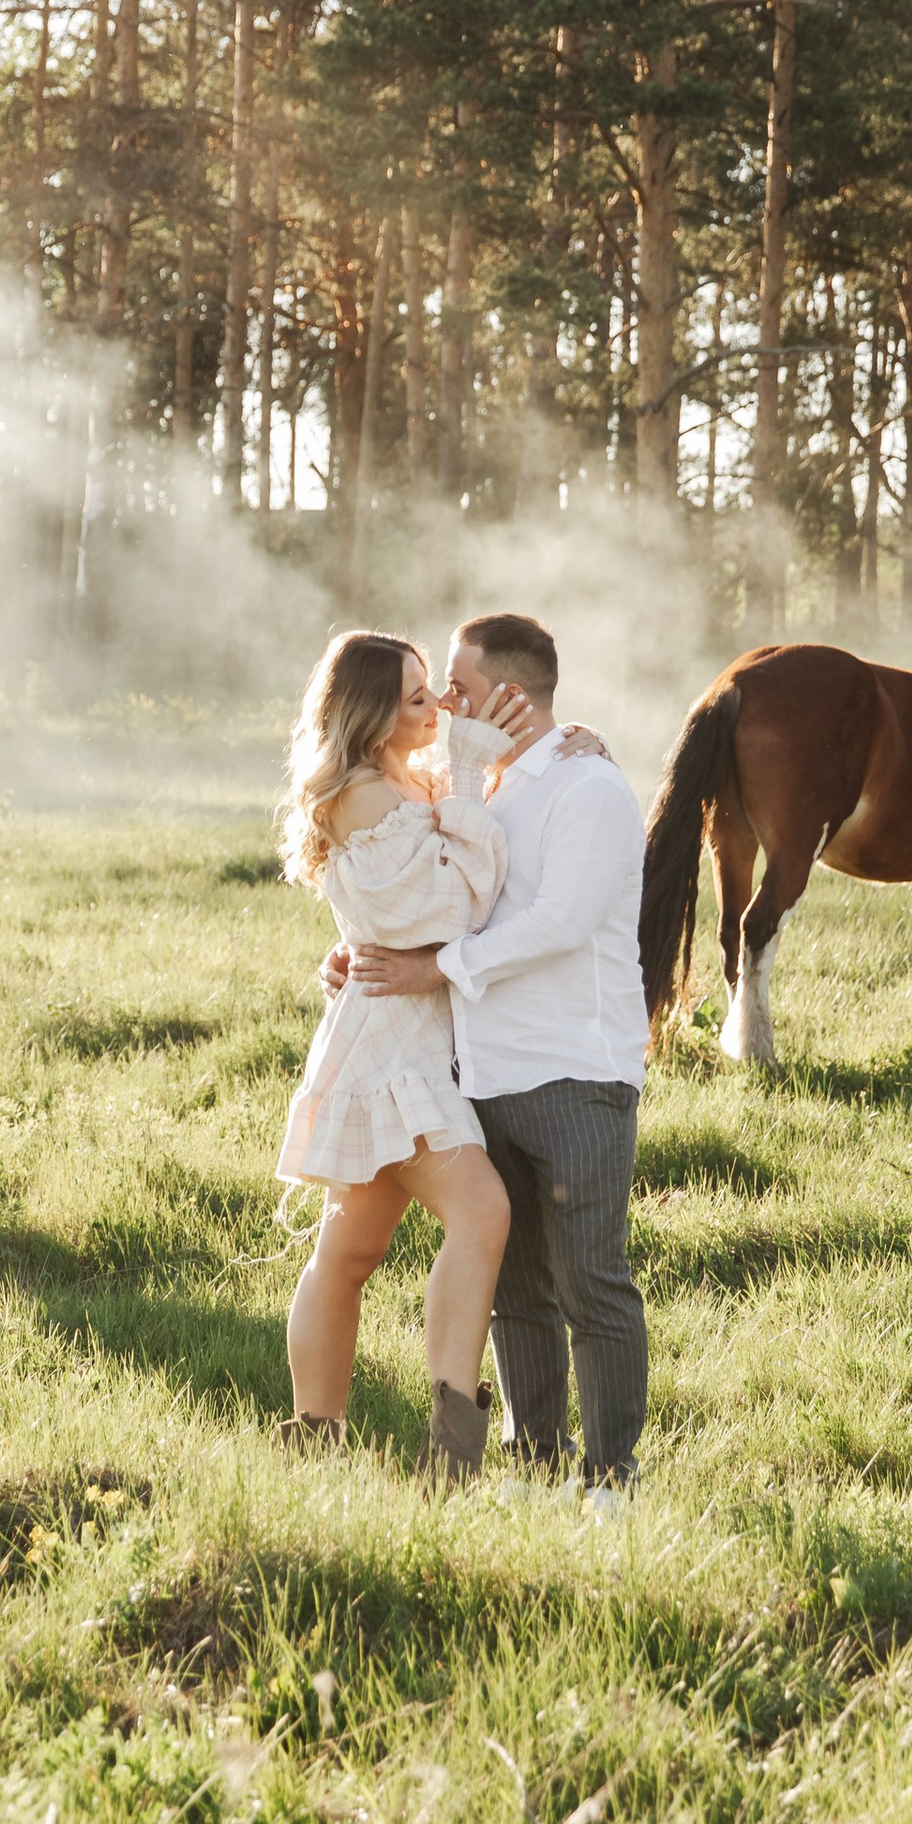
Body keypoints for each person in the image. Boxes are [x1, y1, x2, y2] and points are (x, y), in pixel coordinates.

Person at [348, 612, 650, 1505]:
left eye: (459, 684)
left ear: (509, 695)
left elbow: (560, 923)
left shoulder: (587, 788)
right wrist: (358, 949)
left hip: (574, 1071)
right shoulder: (478, 779)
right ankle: (534, 1460)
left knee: (590, 1279)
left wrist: (432, 968)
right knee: (518, 1287)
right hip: (486, 1074)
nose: (444, 698)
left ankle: (611, 1479)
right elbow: (424, 877)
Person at [272, 630, 529, 1480]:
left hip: (407, 1039)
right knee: (480, 1212)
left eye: (433, 692)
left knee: (349, 1254)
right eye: (416, 697)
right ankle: (450, 1448)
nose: (436, 709)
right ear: (373, 710)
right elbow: (448, 908)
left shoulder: (408, 780)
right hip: (392, 1052)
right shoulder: (358, 794)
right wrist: (469, 765)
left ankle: (318, 1442)